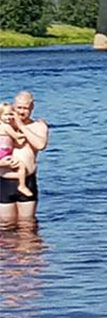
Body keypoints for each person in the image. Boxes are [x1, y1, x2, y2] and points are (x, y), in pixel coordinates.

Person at [0, 91, 49, 228]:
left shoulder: (38, 126)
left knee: (27, 227)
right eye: (19, 108)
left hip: (27, 181)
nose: (21, 112)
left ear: (32, 107)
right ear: (13, 107)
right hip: (5, 182)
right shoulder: (4, 127)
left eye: (25, 108)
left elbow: (40, 145)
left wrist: (21, 126)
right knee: (6, 228)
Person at [0, 103, 33, 198]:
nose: (9, 117)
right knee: (22, 166)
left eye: (11, 114)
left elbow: (17, 141)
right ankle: (22, 186)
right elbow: (16, 136)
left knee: (4, 173)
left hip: (5, 151)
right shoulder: (6, 127)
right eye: (6, 115)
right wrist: (26, 132)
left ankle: (19, 179)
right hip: (4, 152)